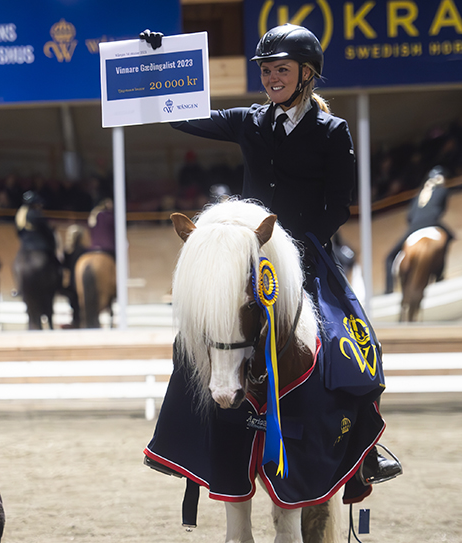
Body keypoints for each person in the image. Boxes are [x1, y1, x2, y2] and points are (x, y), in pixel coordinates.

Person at [145, 24, 400, 489]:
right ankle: (175, 441)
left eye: (280, 69)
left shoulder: (332, 131)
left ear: (306, 74)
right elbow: (181, 117)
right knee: (200, 331)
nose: (271, 78)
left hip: (307, 254)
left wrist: (296, 252)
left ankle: (365, 447)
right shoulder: (248, 121)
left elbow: (339, 204)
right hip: (249, 258)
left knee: (358, 340)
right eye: (265, 71)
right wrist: (159, 61)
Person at [384, 166, 455, 294]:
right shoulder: (443, 190)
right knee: (450, 237)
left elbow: (409, 216)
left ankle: (389, 288)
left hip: (413, 227)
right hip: (433, 222)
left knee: (389, 257)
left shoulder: (419, 195)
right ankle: (439, 272)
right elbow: (442, 209)